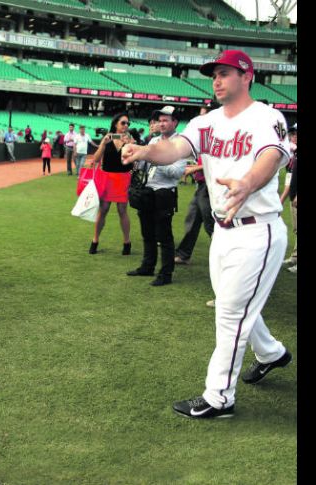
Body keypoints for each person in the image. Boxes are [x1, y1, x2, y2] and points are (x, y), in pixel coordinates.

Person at [121, 50, 293, 419]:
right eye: (213, 74)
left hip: (257, 229)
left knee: (231, 313)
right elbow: (175, 148)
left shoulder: (266, 116)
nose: (216, 80)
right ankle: (273, 353)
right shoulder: (207, 121)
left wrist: (247, 182)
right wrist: (146, 151)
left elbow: (271, 156)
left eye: (225, 73)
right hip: (224, 229)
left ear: (246, 76)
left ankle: (219, 397)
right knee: (235, 300)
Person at [126, 106, 188, 286]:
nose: (161, 123)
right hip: (147, 192)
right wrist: (137, 160)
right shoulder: (153, 140)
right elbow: (144, 165)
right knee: (147, 233)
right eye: (159, 120)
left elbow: (177, 172)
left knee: (164, 237)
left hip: (164, 193)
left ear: (175, 122)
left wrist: (156, 159)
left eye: (166, 120)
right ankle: (147, 266)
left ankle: (166, 274)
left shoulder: (180, 144)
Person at [174, 105, 216, 265]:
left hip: (209, 186)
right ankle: (183, 254)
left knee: (210, 223)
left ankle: (227, 254)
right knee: (193, 219)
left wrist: (193, 168)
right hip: (201, 185)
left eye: (203, 115)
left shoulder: (217, 137)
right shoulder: (204, 136)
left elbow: (215, 162)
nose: (201, 118)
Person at [88, 113, 134, 255]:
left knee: (122, 210)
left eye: (128, 124)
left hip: (124, 178)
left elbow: (134, 158)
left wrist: (131, 143)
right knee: (104, 209)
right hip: (107, 178)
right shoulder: (107, 138)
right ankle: (95, 240)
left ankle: (127, 242)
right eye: (123, 123)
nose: (126, 126)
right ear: (115, 124)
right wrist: (103, 143)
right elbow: (96, 159)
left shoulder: (130, 139)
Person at [281, 124, 297, 273]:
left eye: (295, 134)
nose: (293, 137)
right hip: (294, 196)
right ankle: (295, 256)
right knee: (296, 229)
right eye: (292, 134)